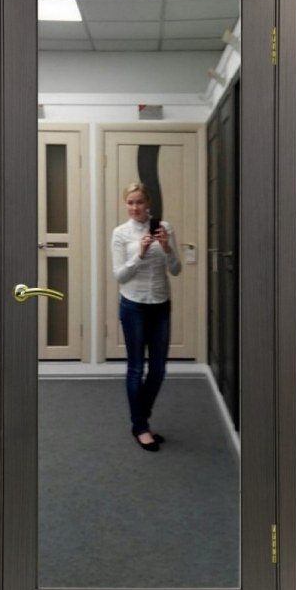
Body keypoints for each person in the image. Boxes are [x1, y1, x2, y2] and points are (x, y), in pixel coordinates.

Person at [110, 182, 182, 452]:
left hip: (160, 305)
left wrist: (166, 248)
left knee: (159, 369)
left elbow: (176, 269)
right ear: (125, 204)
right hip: (133, 306)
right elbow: (119, 275)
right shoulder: (120, 233)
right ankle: (141, 427)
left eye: (139, 202)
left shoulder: (165, 228)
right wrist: (139, 254)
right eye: (130, 202)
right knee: (136, 368)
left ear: (148, 203)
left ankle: (140, 417)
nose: (135, 207)